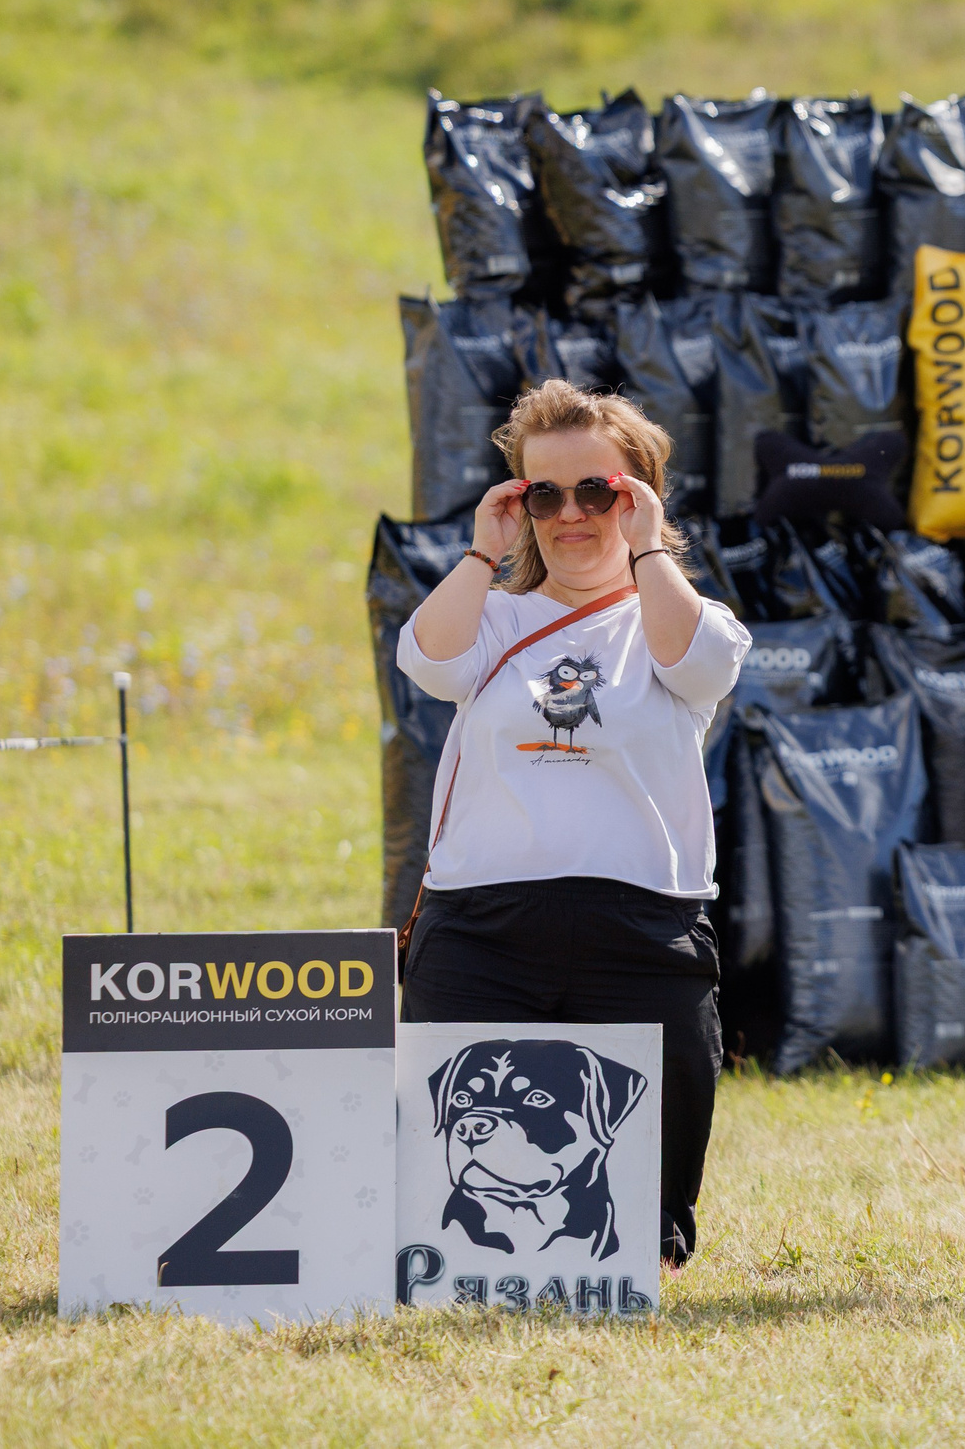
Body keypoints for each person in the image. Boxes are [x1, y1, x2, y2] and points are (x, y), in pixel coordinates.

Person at [396, 378, 751, 1268]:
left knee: (646, 1241)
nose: (570, 513)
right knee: (440, 1223)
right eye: (541, 493)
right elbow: (429, 662)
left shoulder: (679, 621)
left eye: (598, 490)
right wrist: (483, 554)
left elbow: (699, 664)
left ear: (638, 496)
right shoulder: (495, 613)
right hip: (481, 931)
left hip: (640, 936)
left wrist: (647, 548)